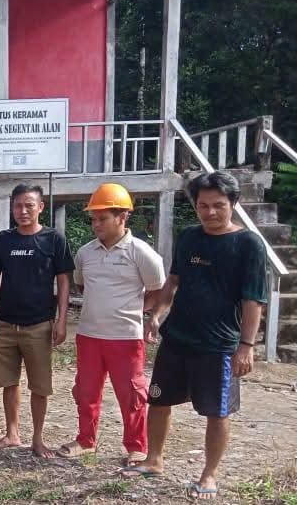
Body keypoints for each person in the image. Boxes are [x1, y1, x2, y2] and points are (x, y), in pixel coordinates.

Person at [126, 172, 267, 500]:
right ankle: (154, 459)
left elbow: (253, 299)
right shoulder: (189, 236)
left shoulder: (248, 244)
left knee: (217, 412)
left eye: (219, 205)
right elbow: (172, 282)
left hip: (219, 346)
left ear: (234, 203)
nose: (211, 213)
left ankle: (208, 474)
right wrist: (156, 315)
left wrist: (246, 346)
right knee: (158, 401)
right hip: (177, 339)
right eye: (203, 206)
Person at [59, 184, 164, 465]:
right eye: (93, 219)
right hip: (89, 334)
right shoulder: (85, 253)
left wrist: (140, 311)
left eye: (102, 218)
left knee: (131, 394)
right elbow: (82, 283)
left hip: (126, 337)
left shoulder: (141, 253)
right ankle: (85, 440)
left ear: (122, 217)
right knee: (86, 391)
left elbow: (158, 289)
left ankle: (136, 446)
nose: (96, 224)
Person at [0, 184, 73, 458]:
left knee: (40, 386)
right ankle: (12, 433)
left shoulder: (54, 239)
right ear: (12, 208)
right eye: (18, 205)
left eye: (29, 205)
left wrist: (62, 319)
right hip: (5, 324)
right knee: (9, 382)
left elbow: (64, 280)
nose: (23, 211)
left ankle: (38, 438)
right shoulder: (3, 240)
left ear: (40, 207)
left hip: (39, 325)